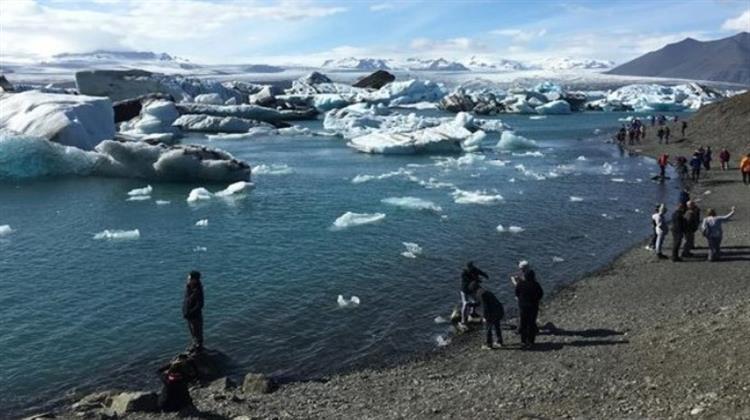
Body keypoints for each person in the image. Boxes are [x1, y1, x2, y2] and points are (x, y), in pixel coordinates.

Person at [511, 261, 544, 348]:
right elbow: (541, 294)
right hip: (533, 306)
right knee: (531, 323)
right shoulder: (536, 284)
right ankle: (531, 341)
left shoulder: (521, 284)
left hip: (523, 306)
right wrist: (536, 300)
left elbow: (517, 293)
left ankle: (523, 341)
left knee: (524, 323)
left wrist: (521, 299)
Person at [459, 262, 488, 329]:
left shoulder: (474, 269)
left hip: (471, 289)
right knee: (465, 304)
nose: (471, 268)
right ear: (467, 267)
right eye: (469, 267)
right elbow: (469, 280)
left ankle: (472, 313)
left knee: (476, 301)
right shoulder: (464, 273)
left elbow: (480, 272)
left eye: (471, 266)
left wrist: (485, 275)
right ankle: (463, 321)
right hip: (465, 290)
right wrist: (477, 280)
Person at [183, 271, 204, 352]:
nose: (188, 279)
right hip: (188, 314)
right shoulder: (188, 287)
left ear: (195, 279)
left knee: (197, 332)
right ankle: (194, 345)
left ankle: (198, 348)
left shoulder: (198, 290)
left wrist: (190, 313)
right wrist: (185, 311)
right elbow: (186, 301)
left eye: (190, 278)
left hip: (195, 315)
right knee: (192, 332)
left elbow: (200, 304)